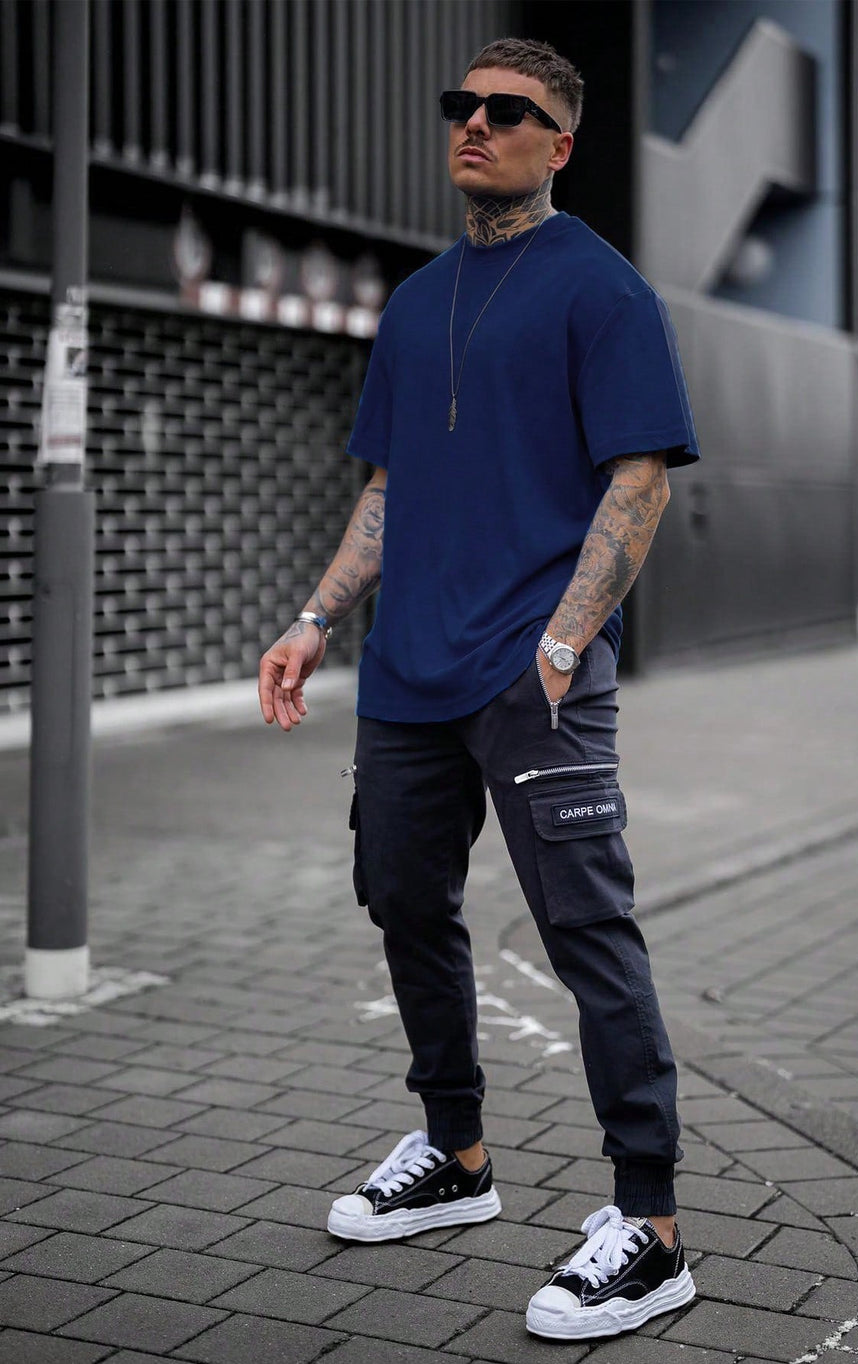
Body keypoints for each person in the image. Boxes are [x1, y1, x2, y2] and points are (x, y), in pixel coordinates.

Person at [258, 37, 701, 1341]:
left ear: (559, 144)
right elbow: (389, 489)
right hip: (405, 674)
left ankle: (651, 1227)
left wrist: (560, 646)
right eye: (466, 104)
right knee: (403, 899)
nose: (478, 122)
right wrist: (313, 619)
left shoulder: (603, 292)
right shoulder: (414, 303)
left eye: (511, 111)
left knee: (587, 932)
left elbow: (639, 482)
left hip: (530, 674)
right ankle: (456, 1155)